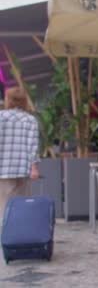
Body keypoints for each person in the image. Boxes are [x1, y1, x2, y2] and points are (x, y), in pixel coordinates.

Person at [0, 87, 40, 221]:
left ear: (9, 100)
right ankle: (19, 236)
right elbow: (32, 146)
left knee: (3, 207)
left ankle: (4, 239)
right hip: (23, 170)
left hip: (3, 170)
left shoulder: (1, 118)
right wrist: (33, 168)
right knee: (22, 205)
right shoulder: (30, 120)